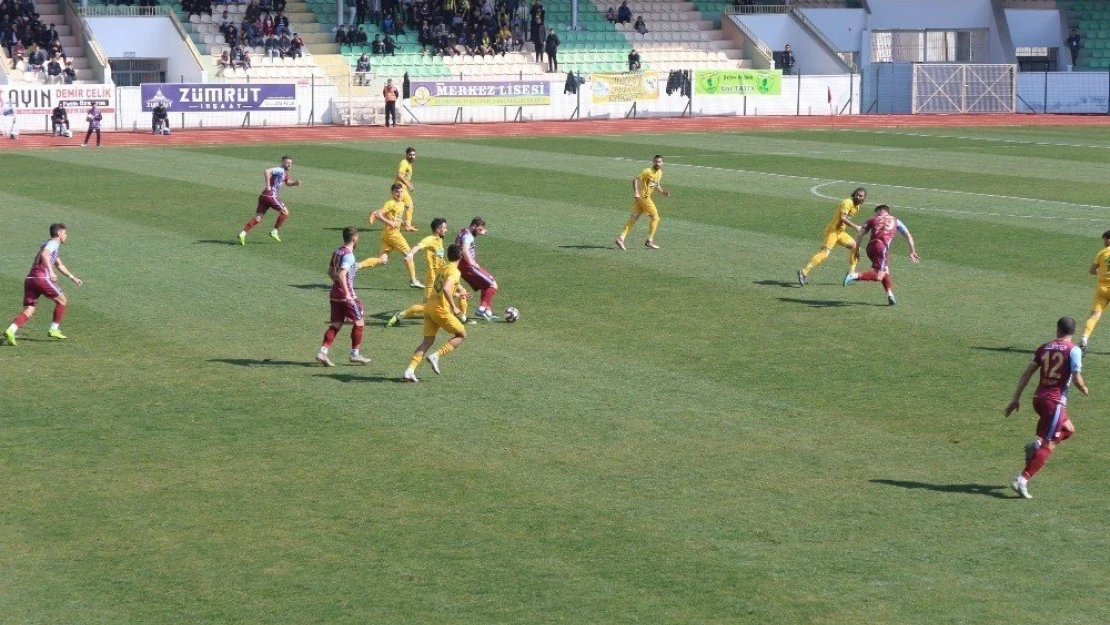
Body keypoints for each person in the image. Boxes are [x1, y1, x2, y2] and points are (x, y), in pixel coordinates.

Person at [1004, 316, 1089, 499]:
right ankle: (1022, 479)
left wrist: (1015, 399)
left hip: (1039, 400)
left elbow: (1027, 372)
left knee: (1068, 430)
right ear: (1073, 332)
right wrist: (1084, 388)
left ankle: (1034, 446)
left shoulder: (1044, 347)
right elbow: (1076, 378)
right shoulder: (1073, 350)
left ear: (1057, 329)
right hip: (1054, 402)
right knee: (1048, 444)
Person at [4, 223, 83, 346]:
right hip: (42, 277)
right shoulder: (53, 243)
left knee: (30, 308)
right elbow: (44, 255)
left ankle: (11, 330)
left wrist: (72, 278)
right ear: (58, 234)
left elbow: (59, 265)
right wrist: (51, 272)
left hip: (30, 278)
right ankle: (54, 329)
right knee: (62, 301)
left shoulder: (47, 245)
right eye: (65, 233)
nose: (66, 236)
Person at [402, 244, 468, 382]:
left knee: (427, 340)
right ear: (461, 256)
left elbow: (443, 289)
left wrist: (458, 293)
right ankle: (436, 356)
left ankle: (409, 370)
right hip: (440, 310)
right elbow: (445, 289)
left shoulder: (442, 268)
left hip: (429, 307)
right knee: (461, 334)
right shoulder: (455, 272)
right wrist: (454, 307)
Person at [388, 217, 470, 326]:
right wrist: (410, 255)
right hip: (433, 277)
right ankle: (399, 316)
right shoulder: (430, 239)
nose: (446, 230)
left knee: (462, 292)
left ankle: (462, 317)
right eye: (444, 227)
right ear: (438, 229)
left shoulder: (439, 240)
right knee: (427, 305)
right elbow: (418, 246)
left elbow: (439, 259)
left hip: (443, 274)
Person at [315, 226, 373, 366]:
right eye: (357, 238)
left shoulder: (337, 251)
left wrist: (337, 285)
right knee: (359, 322)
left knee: (336, 324)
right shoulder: (349, 255)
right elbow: (341, 273)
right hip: (346, 295)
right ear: (354, 238)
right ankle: (355, 354)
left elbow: (330, 271)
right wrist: (346, 293)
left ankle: (322, 352)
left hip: (334, 293)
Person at [841, 205, 920, 306]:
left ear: (879, 211)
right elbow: (908, 235)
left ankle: (890, 294)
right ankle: (853, 275)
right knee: (878, 276)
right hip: (881, 248)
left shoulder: (872, 219)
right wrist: (912, 251)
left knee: (885, 270)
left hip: (870, 248)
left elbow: (860, 235)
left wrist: (856, 251)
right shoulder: (896, 221)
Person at [796, 187, 866, 286]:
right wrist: (856, 227)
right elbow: (842, 218)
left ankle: (851, 272)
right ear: (854, 194)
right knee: (824, 253)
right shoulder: (848, 202)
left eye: (860, 196)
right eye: (857, 194)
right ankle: (803, 272)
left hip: (840, 232)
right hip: (832, 231)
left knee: (855, 246)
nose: (858, 197)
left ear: (864, 198)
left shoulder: (857, 207)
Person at [359, 183, 423, 288]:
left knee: (382, 260)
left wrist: (406, 225)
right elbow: (378, 214)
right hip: (392, 234)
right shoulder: (390, 203)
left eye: (401, 191)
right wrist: (389, 223)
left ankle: (357, 266)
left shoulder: (401, 204)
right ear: (392, 193)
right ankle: (413, 280)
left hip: (387, 235)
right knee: (409, 254)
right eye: (397, 192)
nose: (399, 193)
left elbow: (397, 218)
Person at [237, 155, 301, 244]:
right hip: (270, 196)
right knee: (285, 212)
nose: (289, 165)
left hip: (263, 196)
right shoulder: (280, 169)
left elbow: (287, 182)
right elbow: (267, 171)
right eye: (287, 163)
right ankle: (274, 231)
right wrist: (268, 185)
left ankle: (242, 234)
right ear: (282, 162)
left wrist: (294, 183)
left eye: (290, 163)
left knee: (258, 218)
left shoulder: (285, 172)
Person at [615, 154, 669, 250]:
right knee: (655, 218)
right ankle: (650, 240)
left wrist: (663, 192)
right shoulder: (647, 171)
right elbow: (635, 180)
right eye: (656, 161)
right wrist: (636, 192)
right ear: (653, 162)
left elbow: (656, 185)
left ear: (662, 163)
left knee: (634, 218)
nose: (658, 163)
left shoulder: (660, 173)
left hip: (641, 198)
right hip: (644, 198)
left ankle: (621, 238)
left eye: (659, 162)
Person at [456, 216, 500, 320]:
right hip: (468, 267)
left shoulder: (462, 232)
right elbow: (465, 249)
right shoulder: (468, 236)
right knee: (493, 285)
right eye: (479, 229)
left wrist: (481, 232)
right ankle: (481, 309)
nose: (480, 231)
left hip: (462, 267)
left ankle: (488, 312)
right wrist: (472, 262)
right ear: (474, 226)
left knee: (485, 286)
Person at [1079, 230, 1110, 353]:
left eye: (1104, 239)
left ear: (1108, 239)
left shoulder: (1102, 253)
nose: (1103, 242)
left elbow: (1092, 270)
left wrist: (1102, 272)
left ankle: (1084, 338)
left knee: (1094, 316)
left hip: (1102, 289)